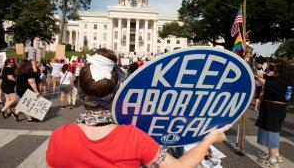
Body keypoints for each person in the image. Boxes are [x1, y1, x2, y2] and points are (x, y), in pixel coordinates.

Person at [46, 49, 231, 168]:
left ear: (80, 91)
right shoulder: (133, 138)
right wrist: (208, 140)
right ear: (119, 91)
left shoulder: (59, 136)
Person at [255, 63, 293, 168]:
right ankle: (276, 155)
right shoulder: (288, 81)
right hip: (280, 109)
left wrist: (258, 77)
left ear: (280, 72)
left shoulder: (281, 83)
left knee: (271, 133)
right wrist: (260, 75)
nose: (274, 72)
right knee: (274, 132)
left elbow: (265, 82)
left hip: (273, 109)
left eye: (276, 70)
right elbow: (269, 78)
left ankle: (272, 160)